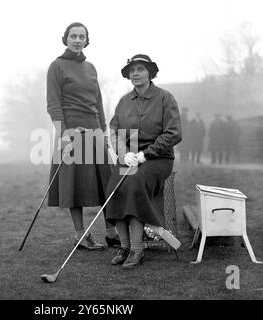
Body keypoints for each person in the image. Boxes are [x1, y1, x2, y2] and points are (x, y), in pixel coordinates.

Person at [46, 22, 120, 250]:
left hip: (95, 129)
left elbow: (98, 102)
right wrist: (63, 134)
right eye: (73, 36)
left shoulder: (91, 68)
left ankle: (111, 232)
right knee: (74, 184)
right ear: (66, 39)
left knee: (106, 182)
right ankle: (81, 236)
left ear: (87, 40)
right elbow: (53, 104)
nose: (77, 40)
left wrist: (105, 132)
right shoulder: (56, 66)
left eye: (82, 36)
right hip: (72, 131)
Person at [105, 54, 182, 269]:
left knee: (134, 182)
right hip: (129, 158)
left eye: (140, 69)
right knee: (113, 186)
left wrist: (145, 155)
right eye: (132, 70)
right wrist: (123, 154)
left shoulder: (165, 98)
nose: (135, 73)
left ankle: (138, 249)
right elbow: (114, 130)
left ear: (150, 72)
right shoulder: (124, 101)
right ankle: (125, 245)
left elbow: (174, 133)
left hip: (158, 160)